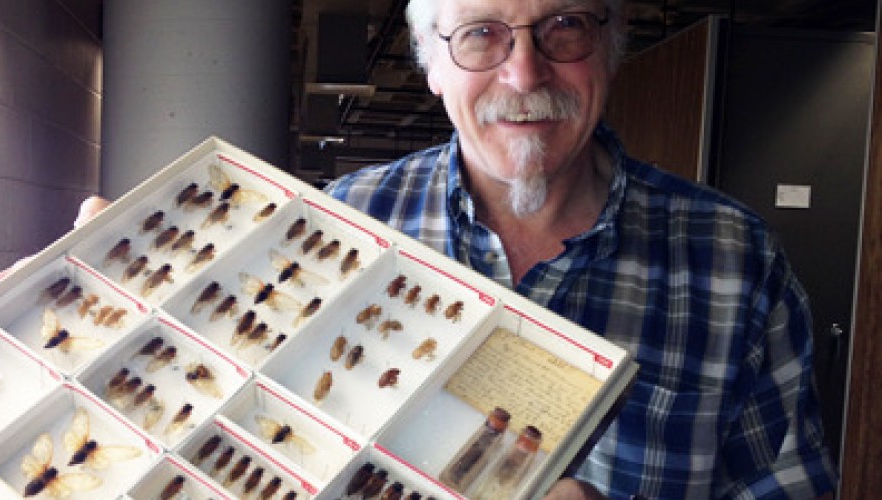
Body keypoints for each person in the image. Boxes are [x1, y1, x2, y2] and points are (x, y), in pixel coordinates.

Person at [323, 0, 837, 498]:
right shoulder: (347, 222)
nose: (524, 75)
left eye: (565, 26)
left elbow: (789, 486)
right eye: (480, 33)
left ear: (612, 44)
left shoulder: (738, 259)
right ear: (430, 60)